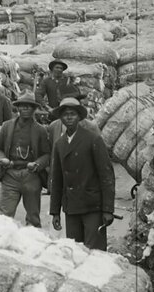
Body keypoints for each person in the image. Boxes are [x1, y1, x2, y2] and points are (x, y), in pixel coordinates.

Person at [49, 97, 115, 251]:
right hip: (71, 207)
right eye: (65, 114)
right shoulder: (60, 144)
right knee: (75, 250)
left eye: (73, 114)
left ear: (79, 116)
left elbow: (106, 176)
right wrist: (55, 212)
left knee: (94, 252)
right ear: (61, 118)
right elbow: (57, 180)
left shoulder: (93, 139)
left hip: (92, 205)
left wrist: (107, 209)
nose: (69, 117)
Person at [0, 93, 50, 227]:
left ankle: (33, 245)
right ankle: (2, 243)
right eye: (22, 106)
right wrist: (2, 159)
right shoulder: (7, 126)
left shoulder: (40, 130)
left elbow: (47, 154)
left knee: (33, 218)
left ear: (34, 109)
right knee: (3, 216)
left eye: (29, 107)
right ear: (18, 108)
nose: (25, 109)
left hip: (31, 176)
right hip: (10, 175)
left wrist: (36, 164)